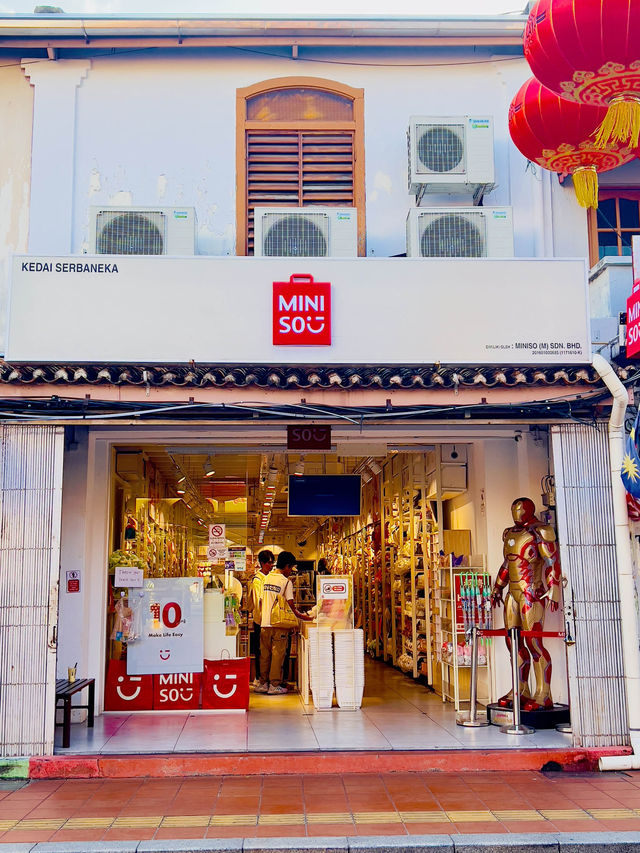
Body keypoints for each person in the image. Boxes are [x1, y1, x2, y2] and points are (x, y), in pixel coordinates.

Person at [491, 497, 561, 711]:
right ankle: (520, 689)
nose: (516, 512)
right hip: (512, 594)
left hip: (532, 592)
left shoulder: (541, 531)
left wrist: (554, 588)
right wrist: (497, 587)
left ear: (528, 510)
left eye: (520, 509)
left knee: (534, 644)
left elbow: (551, 561)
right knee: (513, 643)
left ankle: (543, 693)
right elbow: (507, 563)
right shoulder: (509, 533)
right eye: (514, 508)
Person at [255, 550, 311, 695]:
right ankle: (274, 685)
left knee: (264, 655)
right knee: (277, 655)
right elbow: (290, 605)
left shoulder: (266, 578)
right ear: (286, 566)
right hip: (279, 624)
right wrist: (303, 617)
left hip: (264, 623)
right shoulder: (286, 582)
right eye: (291, 568)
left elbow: (261, 601)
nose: (291, 571)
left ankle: (263, 683)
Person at [248, 550, 275, 686]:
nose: (271, 565)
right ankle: (258, 678)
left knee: (267, 651)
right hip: (261, 621)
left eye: (272, 562)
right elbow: (259, 602)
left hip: (268, 620)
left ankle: (265, 678)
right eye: (269, 563)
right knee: (261, 651)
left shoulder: (269, 577)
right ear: (263, 563)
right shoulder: (257, 580)